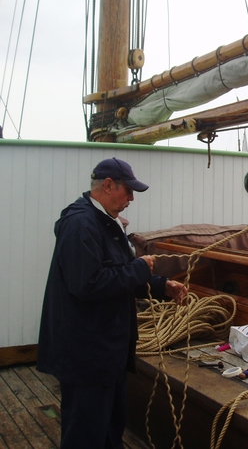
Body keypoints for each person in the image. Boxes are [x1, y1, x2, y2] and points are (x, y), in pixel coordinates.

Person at [37, 157, 188, 448]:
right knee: (85, 434)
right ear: (108, 185)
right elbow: (88, 284)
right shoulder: (80, 225)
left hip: (107, 354)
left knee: (109, 429)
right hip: (87, 356)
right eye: (128, 190)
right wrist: (140, 268)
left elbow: (119, 273)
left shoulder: (105, 223)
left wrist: (162, 286)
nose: (131, 198)